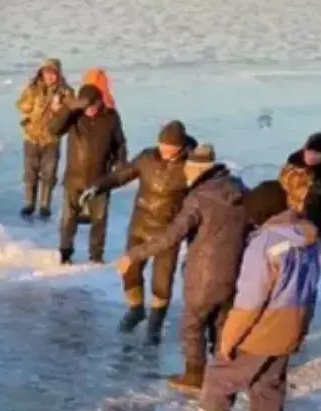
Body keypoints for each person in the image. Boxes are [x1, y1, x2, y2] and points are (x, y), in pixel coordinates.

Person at [172, 178, 321, 411]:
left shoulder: (265, 243)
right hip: (293, 323)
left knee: (219, 376)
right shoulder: (310, 240)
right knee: (267, 384)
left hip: (265, 326)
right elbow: (312, 289)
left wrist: (228, 341)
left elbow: (250, 301)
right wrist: (300, 330)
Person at [115, 145, 248, 393]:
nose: (185, 173)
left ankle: (195, 375)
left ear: (197, 168)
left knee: (193, 324)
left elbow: (171, 236)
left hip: (204, 271)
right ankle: (224, 371)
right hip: (234, 268)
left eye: (188, 168)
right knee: (221, 322)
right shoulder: (237, 188)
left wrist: (133, 256)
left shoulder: (198, 198)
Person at [84, 120, 195, 342]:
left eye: (169, 147)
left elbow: (201, 199)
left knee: (161, 282)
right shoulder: (147, 158)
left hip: (167, 232)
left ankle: (156, 322)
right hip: (140, 226)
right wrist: (98, 186)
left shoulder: (189, 166)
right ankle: (136, 309)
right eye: (162, 145)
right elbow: (121, 175)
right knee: (130, 271)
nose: (164, 150)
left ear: (180, 147)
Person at [49, 84, 126, 266]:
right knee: (69, 219)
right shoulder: (74, 116)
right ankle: (65, 254)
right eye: (85, 106)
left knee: (99, 220)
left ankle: (96, 256)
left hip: (100, 178)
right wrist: (69, 107)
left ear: (100, 102)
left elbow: (119, 143)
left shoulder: (111, 117)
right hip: (74, 178)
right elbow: (54, 129)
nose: (89, 110)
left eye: (93, 105)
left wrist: (121, 163)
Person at [15, 59, 74, 220]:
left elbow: (72, 112)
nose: (49, 77)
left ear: (59, 74)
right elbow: (21, 105)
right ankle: (29, 203)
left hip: (51, 139)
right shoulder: (33, 88)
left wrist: (59, 108)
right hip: (31, 137)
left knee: (49, 173)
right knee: (30, 172)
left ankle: (44, 204)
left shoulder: (66, 92)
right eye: (46, 73)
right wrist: (28, 113)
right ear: (41, 73)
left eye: (52, 73)